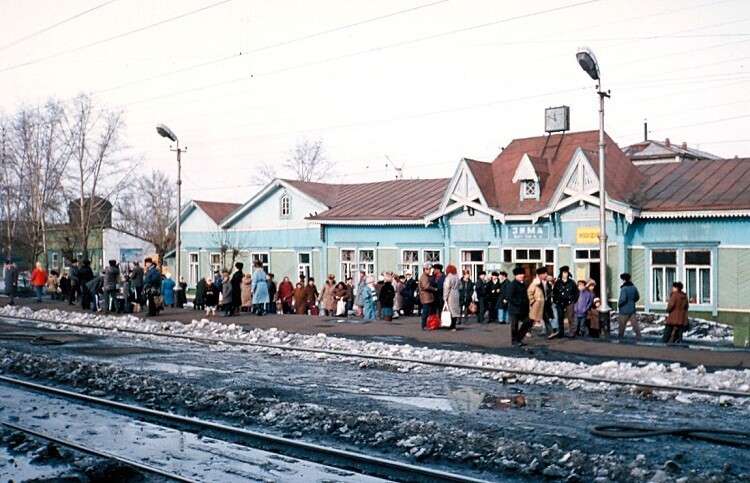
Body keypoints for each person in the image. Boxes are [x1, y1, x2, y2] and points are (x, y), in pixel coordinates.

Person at [505, 267, 533, 346]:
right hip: (514, 309)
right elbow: (509, 296)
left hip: (523, 309)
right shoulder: (512, 284)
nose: (522, 275)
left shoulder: (525, 284)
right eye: (520, 274)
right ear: (516, 275)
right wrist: (518, 302)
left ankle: (519, 337)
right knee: (514, 326)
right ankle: (515, 341)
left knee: (529, 321)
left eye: (523, 274)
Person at [552, 266, 579, 338]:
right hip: (559, 302)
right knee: (560, 317)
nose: (565, 274)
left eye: (566, 272)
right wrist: (555, 300)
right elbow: (554, 292)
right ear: (561, 273)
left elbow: (576, 292)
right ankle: (561, 332)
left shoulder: (572, 282)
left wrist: (574, 300)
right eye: (564, 272)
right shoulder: (558, 283)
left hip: (569, 302)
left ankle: (572, 332)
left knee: (570, 317)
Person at [617, 272, 642, 340]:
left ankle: (620, 337)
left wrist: (619, 304)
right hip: (632, 308)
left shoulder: (624, 288)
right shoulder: (633, 287)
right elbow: (637, 297)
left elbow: (623, 299)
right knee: (635, 324)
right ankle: (639, 336)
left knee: (622, 325)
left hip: (624, 309)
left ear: (623, 279)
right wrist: (632, 302)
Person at [527, 268, 548, 336]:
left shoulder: (546, 282)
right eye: (544, 274)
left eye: (546, 273)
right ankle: (527, 330)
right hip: (537, 303)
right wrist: (532, 301)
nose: (546, 275)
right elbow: (529, 291)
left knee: (546, 317)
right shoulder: (535, 282)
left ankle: (550, 332)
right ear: (540, 275)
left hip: (544, 302)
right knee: (533, 318)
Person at [442, 264, 460, 330]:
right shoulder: (457, 276)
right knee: (455, 310)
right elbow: (460, 286)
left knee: (450, 310)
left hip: (450, 294)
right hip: (456, 293)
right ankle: (454, 325)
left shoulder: (448, 277)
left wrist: (445, 297)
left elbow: (446, 287)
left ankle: (451, 325)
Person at [418, 263, 436, 330]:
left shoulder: (425, 276)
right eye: (429, 269)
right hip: (426, 297)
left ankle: (426, 325)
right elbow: (426, 286)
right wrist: (434, 289)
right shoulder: (424, 277)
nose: (430, 271)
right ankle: (424, 325)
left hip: (426, 297)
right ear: (425, 269)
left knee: (427, 311)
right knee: (425, 312)